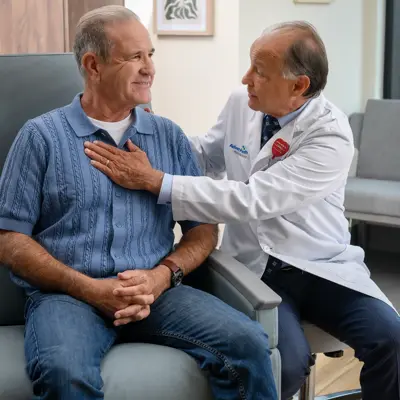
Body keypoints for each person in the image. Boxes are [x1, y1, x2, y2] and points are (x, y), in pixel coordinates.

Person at [86, 21, 400, 400]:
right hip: (258, 268)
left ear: (299, 86)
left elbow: (252, 199)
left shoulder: (330, 135)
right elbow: (205, 154)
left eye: (259, 72)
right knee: (283, 363)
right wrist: (154, 136)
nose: (245, 77)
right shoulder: (243, 102)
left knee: (392, 339)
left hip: (320, 267)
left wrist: (156, 181)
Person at [0, 6, 278, 400]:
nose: (149, 68)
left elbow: (202, 231)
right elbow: (9, 239)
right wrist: (89, 288)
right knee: (63, 372)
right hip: (69, 297)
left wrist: (161, 276)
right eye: (134, 57)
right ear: (93, 65)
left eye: (150, 55)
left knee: (248, 342)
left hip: (156, 293)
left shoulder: (168, 136)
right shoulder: (40, 137)